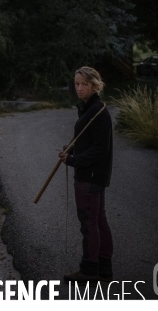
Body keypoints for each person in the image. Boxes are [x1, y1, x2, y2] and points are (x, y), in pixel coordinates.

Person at [59, 67, 114, 285]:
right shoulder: (89, 108)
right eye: (77, 84)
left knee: (89, 222)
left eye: (84, 84)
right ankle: (104, 270)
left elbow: (100, 148)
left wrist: (73, 160)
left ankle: (90, 269)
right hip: (93, 175)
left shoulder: (98, 111)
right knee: (98, 220)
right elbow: (89, 140)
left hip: (90, 177)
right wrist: (73, 148)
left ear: (95, 85)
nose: (80, 88)